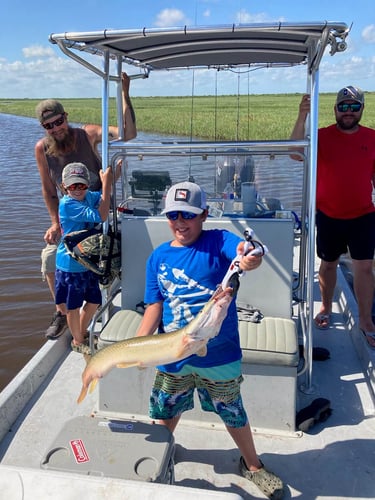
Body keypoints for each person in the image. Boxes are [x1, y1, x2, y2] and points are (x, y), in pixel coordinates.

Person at [135, 181, 284, 499]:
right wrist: (138, 343)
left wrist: (250, 256)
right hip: (173, 354)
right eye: (173, 215)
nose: (180, 222)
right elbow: (154, 306)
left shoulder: (218, 241)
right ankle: (158, 456)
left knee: (233, 411)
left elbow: (245, 251)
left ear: (204, 215)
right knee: (165, 411)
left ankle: (253, 465)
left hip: (220, 354)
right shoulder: (158, 257)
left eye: (188, 215)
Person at [35, 72, 136, 340]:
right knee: (48, 258)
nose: (56, 129)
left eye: (58, 121)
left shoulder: (87, 134)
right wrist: (55, 222)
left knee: (109, 253)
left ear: (66, 116)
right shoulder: (42, 149)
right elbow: (48, 189)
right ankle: (61, 311)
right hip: (70, 216)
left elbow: (129, 133)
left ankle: (104, 301)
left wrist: (124, 93)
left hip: (97, 210)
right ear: (43, 128)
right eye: (49, 126)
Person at [290, 86, 375, 348]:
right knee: (327, 265)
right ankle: (326, 308)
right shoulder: (321, 137)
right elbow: (294, 152)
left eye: (354, 107)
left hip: (363, 214)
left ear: (362, 109)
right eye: (343, 107)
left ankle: (365, 320)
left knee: (365, 267)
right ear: (335, 109)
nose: (348, 112)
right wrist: (302, 116)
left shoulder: (372, 138)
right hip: (328, 215)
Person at [56, 162, 113, 354]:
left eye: (82, 185)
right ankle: (78, 341)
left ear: (87, 185)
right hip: (70, 263)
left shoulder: (88, 196)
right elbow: (102, 215)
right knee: (73, 306)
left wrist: (113, 176)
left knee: (94, 300)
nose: (78, 190)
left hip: (87, 261)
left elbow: (103, 196)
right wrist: (107, 184)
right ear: (65, 187)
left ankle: (79, 333)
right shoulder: (68, 204)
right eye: (73, 186)